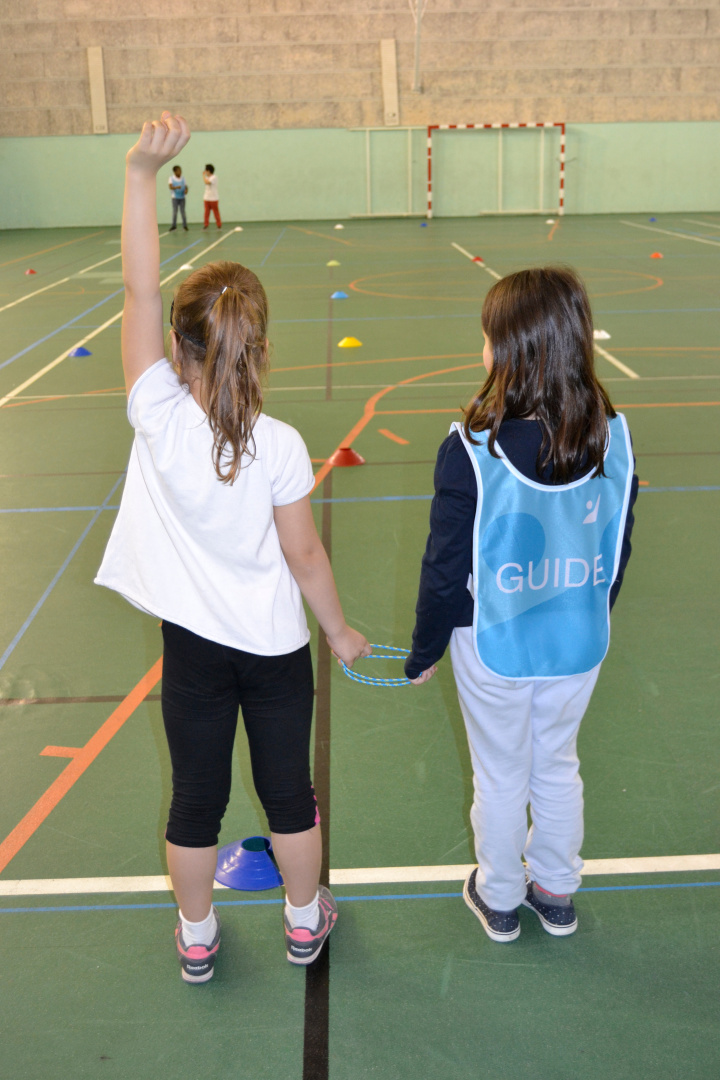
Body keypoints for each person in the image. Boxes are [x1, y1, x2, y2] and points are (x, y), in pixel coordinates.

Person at [95, 112, 370, 983]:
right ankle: (301, 920)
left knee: (195, 801)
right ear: (259, 348)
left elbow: (139, 292)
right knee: (291, 796)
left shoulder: (158, 416)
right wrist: (339, 632)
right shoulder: (283, 444)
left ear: (178, 352)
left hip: (196, 654)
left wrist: (141, 175)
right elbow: (306, 560)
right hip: (278, 652)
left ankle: (199, 936)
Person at [404, 267, 638, 943]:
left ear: (510, 350)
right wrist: (596, 609)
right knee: (557, 762)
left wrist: (425, 652)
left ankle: (501, 896)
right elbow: (617, 543)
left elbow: (444, 573)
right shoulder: (612, 436)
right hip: (577, 639)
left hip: (494, 644)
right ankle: (557, 890)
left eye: (488, 337)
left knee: (502, 771)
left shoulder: (470, 448)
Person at [167, 165, 188, 231]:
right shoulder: (171, 178)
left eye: (180, 170)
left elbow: (185, 186)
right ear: (175, 172)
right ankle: (174, 226)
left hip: (182, 197)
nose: (180, 172)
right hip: (175, 197)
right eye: (178, 170)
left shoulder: (183, 178)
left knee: (183, 212)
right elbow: (170, 187)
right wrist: (176, 187)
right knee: (175, 212)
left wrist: (186, 190)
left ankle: (185, 226)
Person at [203, 163, 221, 229]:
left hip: (214, 198)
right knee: (206, 213)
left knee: (216, 212)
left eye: (206, 170)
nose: (205, 172)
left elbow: (207, 182)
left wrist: (203, 176)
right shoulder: (207, 178)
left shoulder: (214, 177)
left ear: (209, 171)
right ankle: (206, 224)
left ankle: (219, 224)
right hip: (207, 198)